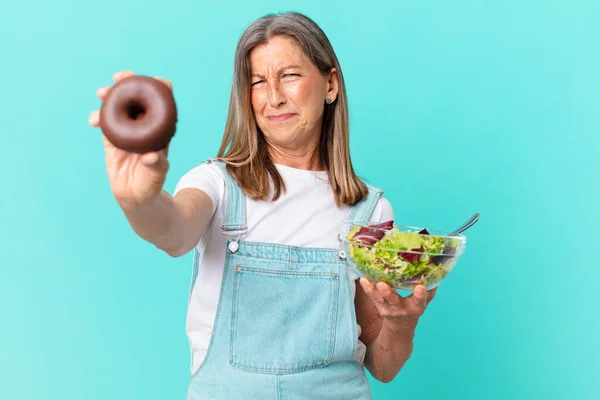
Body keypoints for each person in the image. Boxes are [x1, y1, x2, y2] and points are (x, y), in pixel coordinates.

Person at [88, 11, 437, 400]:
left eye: (289, 75)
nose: (273, 97)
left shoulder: (369, 211)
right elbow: (172, 231)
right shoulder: (216, 184)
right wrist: (138, 200)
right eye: (257, 82)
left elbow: (383, 366)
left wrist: (401, 325)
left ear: (331, 84)